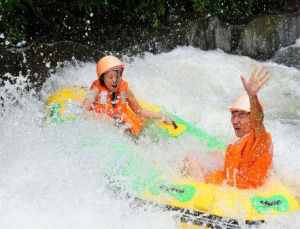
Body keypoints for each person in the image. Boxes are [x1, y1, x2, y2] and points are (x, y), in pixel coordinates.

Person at [182, 65, 273, 189]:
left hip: (237, 189)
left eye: (241, 116)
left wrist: (252, 96)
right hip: (232, 179)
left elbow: (258, 120)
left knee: (189, 160)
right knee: (217, 154)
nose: (235, 121)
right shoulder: (245, 139)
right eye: (233, 116)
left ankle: (186, 184)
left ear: (252, 119)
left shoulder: (259, 138)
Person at [82, 55, 173, 137]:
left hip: (119, 120)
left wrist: (162, 116)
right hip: (104, 122)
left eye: (118, 76)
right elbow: (84, 111)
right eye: (110, 77)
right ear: (102, 78)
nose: (114, 80)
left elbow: (140, 111)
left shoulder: (125, 90)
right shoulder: (96, 90)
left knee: (135, 130)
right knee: (111, 122)